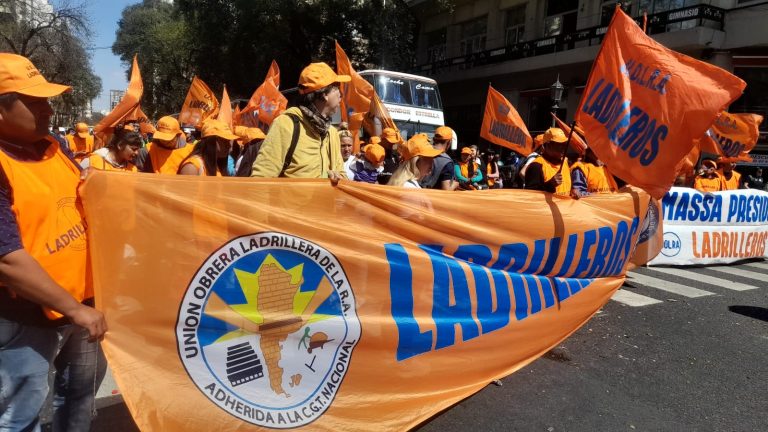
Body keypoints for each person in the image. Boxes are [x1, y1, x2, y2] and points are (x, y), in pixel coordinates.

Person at [0, 53, 107, 432]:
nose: (47, 109)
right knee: (17, 416)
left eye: (46, 100)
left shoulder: (54, 147)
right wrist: (76, 310)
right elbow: (6, 260)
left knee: (78, 398)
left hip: (83, 306)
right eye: (33, 102)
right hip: (27, 319)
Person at [251, 62, 349, 183]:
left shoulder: (332, 133)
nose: (341, 94)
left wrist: (335, 179)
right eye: (337, 88)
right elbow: (262, 177)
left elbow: (343, 177)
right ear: (324, 95)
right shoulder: (286, 124)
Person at [524, 127, 573, 197]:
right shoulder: (536, 166)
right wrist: (550, 184)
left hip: (564, 208)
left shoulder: (565, 162)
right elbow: (531, 196)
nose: (563, 148)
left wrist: (574, 189)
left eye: (564, 144)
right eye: (559, 144)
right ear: (547, 145)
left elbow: (568, 185)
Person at [420, 126, 456, 190]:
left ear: (433, 139)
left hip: (414, 191)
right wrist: (455, 184)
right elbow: (446, 189)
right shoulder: (447, 161)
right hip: (431, 198)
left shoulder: (421, 152)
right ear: (449, 142)